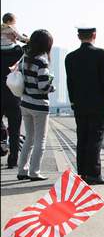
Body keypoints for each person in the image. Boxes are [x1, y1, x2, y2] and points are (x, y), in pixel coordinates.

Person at [65, 26, 104, 185]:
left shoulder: (70, 57)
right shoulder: (101, 54)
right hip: (98, 104)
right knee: (95, 138)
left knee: (82, 137)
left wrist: (73, 102)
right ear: (94, 35)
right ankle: (94, 174)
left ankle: (82, 173)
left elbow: (70, 83)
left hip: (80, 105)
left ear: (78, 36)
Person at [16, 29, 55, 181]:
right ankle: (34, 172)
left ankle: (22, 170)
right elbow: (43, 85)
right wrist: (53, 87)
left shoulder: (24, 58)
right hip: (39, 105)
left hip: (25, 103)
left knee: (29, 139)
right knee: (40, 140)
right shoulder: (42, 61)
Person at [1, 14, 28, 168]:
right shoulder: (18, 50)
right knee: (15, 128)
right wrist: (24, 38)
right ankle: (13, 160)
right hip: (13, 94)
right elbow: (28, 48)